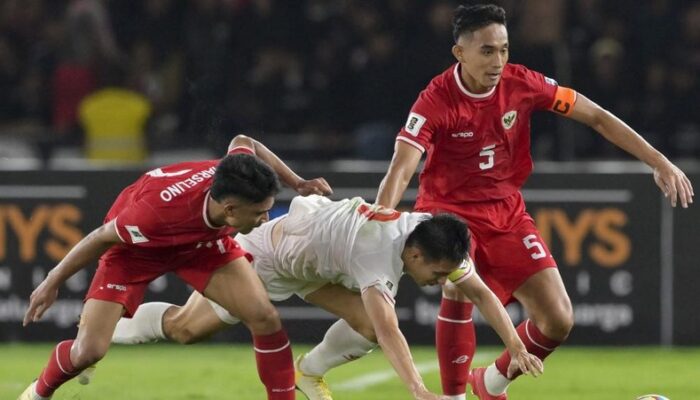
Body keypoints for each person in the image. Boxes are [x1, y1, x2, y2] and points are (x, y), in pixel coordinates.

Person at [373, 4, 694, 400]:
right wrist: (379, 226)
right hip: (448, 212)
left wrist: (657, 161)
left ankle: (489, 383)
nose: (498, 61)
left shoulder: (523, 83)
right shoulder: (435, 100)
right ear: (460, 53)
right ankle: (454, 397)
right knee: (458, 286)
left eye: (504, 49)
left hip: (507, 212)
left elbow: (595, 115)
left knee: (558, 320)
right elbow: (401, 168)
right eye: (487, 51)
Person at [87, 195, 543, 400]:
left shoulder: (430, 235)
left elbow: (479, 291)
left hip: (316, 258)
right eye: (436, 274)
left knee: (363, 326)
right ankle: (102, 334)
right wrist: (419, 393)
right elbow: (389, 329)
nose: (439, 281)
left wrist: (517, 346)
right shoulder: (376, 254)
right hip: (268, 256)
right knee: (187, 329)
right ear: (416, 254)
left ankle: (310, 372)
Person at [17, 134, 332, 400]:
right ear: (231, 210)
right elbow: (101, 237)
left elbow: (243, 141)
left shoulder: (232, 175)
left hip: (203, 244)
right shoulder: (153, 215)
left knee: (263, 318)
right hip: (135, 251)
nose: (266, 219)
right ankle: (36, 393)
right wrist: (51, 281)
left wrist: (298, 183)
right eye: (260, 213)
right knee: (88, 352)